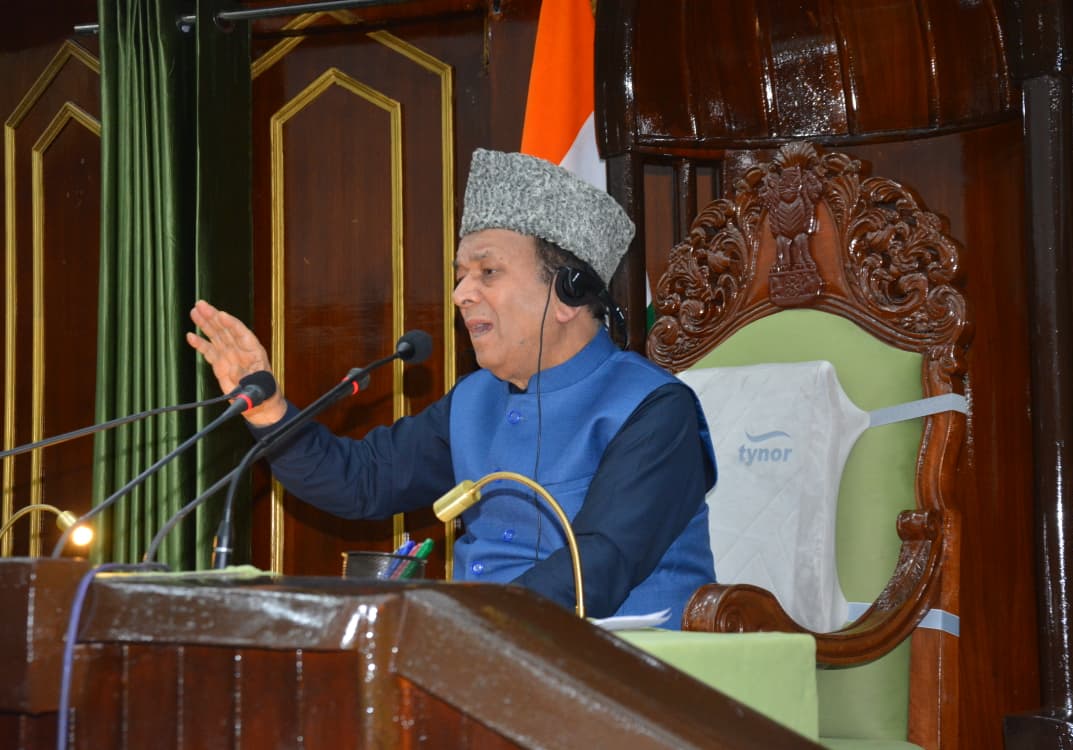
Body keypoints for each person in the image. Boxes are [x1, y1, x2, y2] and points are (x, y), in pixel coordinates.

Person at [188, 148, 717, 627]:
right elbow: (359, 481)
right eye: (461, 275)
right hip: (483, 655)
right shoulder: (474, 400)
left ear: (567, 295)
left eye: (487, 272)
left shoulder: (653, 408)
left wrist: (456, 624)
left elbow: (600, 565)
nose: (461, 293)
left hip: (625, 672)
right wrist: (269, 411)